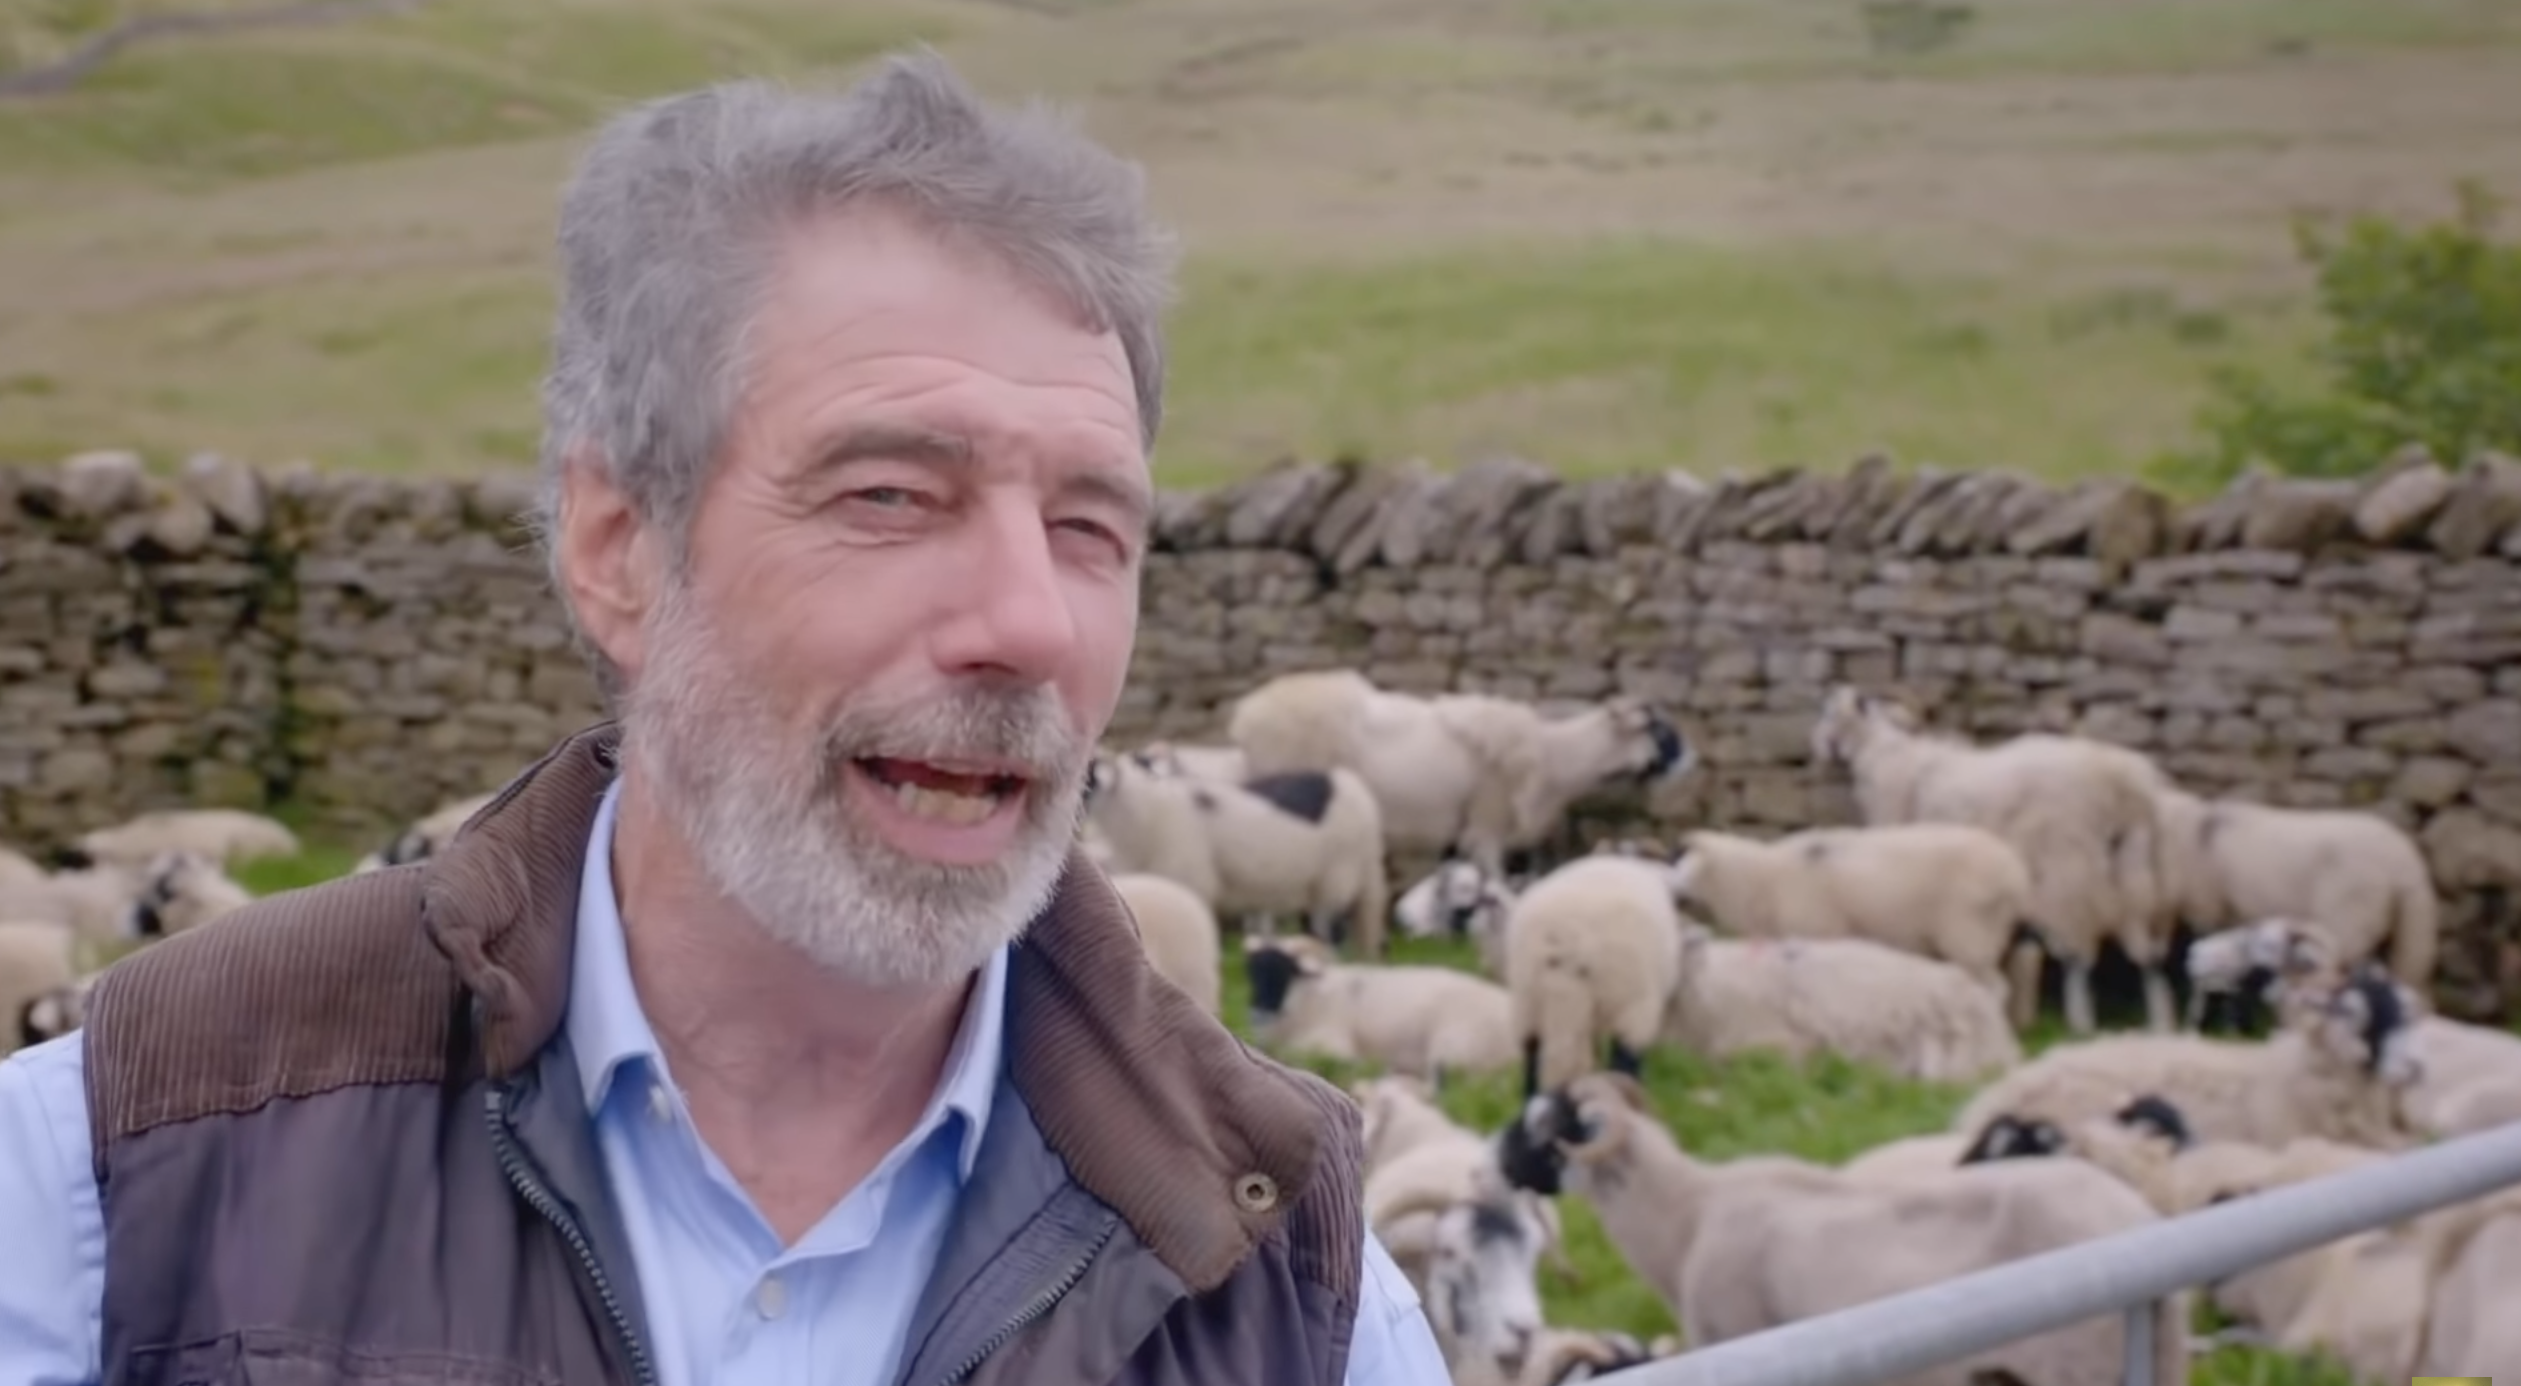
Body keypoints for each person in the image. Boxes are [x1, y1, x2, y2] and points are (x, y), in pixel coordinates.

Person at [0, 49, 1459, 1386]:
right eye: (890, 496)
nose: (1028, 624)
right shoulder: (114, 1173)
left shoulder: (1300, 1294)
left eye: (1092, 525)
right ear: (617, 545)